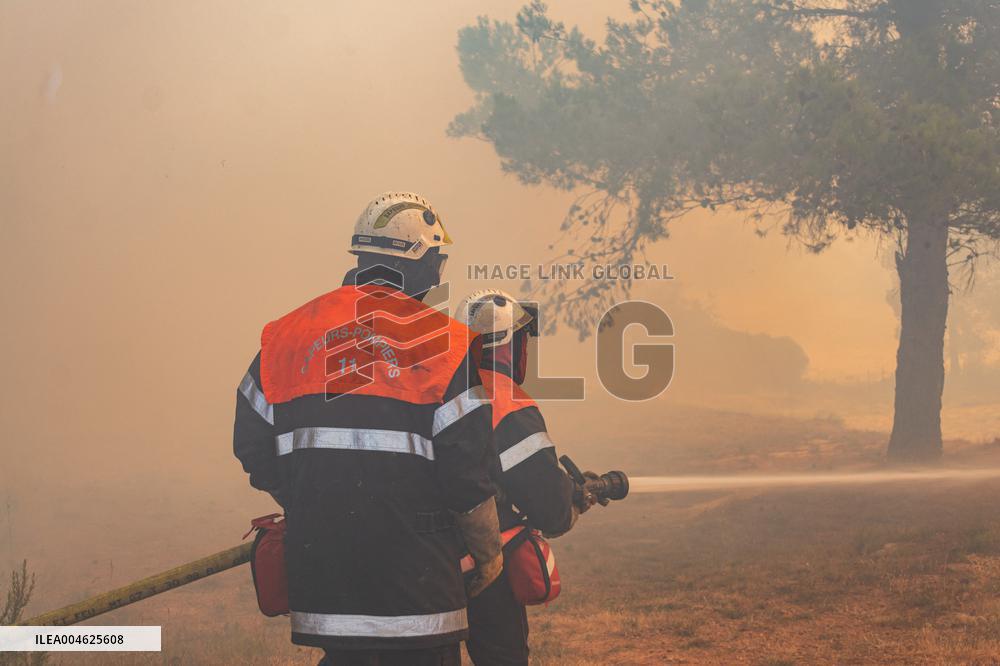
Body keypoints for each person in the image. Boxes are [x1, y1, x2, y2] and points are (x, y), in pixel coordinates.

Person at [233, 192, 503, 666]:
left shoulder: (289, 334)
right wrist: (488, 554)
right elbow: (467, 474)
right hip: (418, 594)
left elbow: (252, 445)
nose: (440, 275)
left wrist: (312, 500)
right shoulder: (447, 344)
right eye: (437, 261)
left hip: (327, 584)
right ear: (419, 262)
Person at [456, 289, 589, 666]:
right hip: (485, 565)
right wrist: (574, 498)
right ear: (507, 345)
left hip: (426, 565)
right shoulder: (504, 400)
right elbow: (548, 505)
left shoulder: (435, 389)